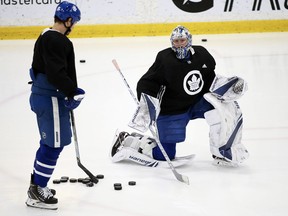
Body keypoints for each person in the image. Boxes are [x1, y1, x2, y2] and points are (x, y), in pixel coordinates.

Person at [111, 25, 249, 168]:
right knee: (164, 156)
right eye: (175, 41)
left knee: (220, 110)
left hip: (196, 102)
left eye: (182, 40)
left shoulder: (202, 54)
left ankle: (221, 152)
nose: (179, 44)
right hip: (172, 109)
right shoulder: (165, 59)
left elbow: (210, 78)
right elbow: (147, 82)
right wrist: (148, 103)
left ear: (189, 40)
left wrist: (226, 85)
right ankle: (129, 141)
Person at [25, 1, 84, 210]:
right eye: (73, 22)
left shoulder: (45, 35)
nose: (73, 26)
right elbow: (56, 73)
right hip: (51, 98)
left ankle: (38, 184)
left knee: (50, 143)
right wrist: (72, 91)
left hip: (47, 96)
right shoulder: (57, 40)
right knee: (53, 145)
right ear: (68, 20)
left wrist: (68, 91)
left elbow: (40, 69)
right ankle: (36, 191)